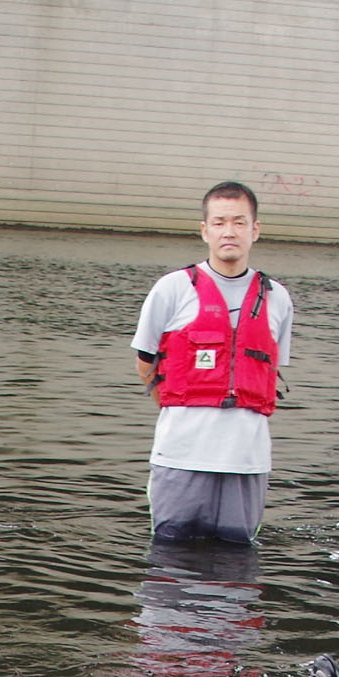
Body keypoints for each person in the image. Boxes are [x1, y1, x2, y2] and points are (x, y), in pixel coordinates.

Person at [132, 182, 294, 545]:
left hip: (246, 460)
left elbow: (270, 371)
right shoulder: (172, 289)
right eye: (219, 222)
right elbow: (145, 364)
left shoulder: (277, 298)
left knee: (237, 568)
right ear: (205, 230)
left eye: (239, 222)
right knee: (169, 561)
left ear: (255, 229)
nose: (229, 232)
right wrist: (181, 405)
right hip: (181, 454)